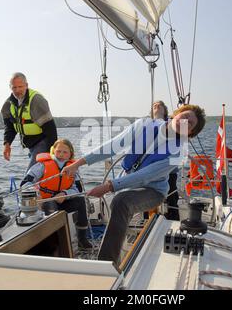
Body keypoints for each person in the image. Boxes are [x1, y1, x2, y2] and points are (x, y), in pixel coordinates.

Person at [63, 104, 206, 265]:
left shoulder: (179, 153)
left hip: (153, 191)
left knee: (121, 201)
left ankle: (106, 264)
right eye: (184, 116)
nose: (185, 121)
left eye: (190, 123)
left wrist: (109, 186)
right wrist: (78, 163)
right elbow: (113, 145)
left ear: (191, 132)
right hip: (128, 181)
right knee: (120, 201)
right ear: (176, 114)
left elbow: (146, 176)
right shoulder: (144, 125)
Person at [20, 138, 92, 249]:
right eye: (58, 151)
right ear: (53, 151)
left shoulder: (73, 169)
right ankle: (56, 243)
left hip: (63, 200)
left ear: (70, 154)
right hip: (45, 203)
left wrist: (65, 193)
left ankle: (82, 239)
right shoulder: (41, 166)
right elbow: (25, 183)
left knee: (81, 201)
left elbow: (78, 189)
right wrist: (36, 192)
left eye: (65, 152)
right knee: (51, 206)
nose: (61, 154)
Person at [1, 72, 58, 171]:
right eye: (14, 87)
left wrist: (51, 154)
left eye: (20, 86)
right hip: (29, 144)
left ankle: (26, 185)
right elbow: (10, 127)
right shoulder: (7, 105)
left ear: (26, 85)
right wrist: (7, 144)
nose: (17, 90)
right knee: (38, 175)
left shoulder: (36, 100)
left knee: (31, 174)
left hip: (43, 141)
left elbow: (51, 129)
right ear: (10, 87)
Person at [150, 101, 180, 221]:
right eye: (154, 105)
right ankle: (147, 224)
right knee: (146, 199)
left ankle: (173, 223)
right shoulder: (147, 125)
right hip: (150, 169)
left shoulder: (171, 124)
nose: (156, 106)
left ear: (165, 110)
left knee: (171, 197)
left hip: (168, 169)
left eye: (159, 105)